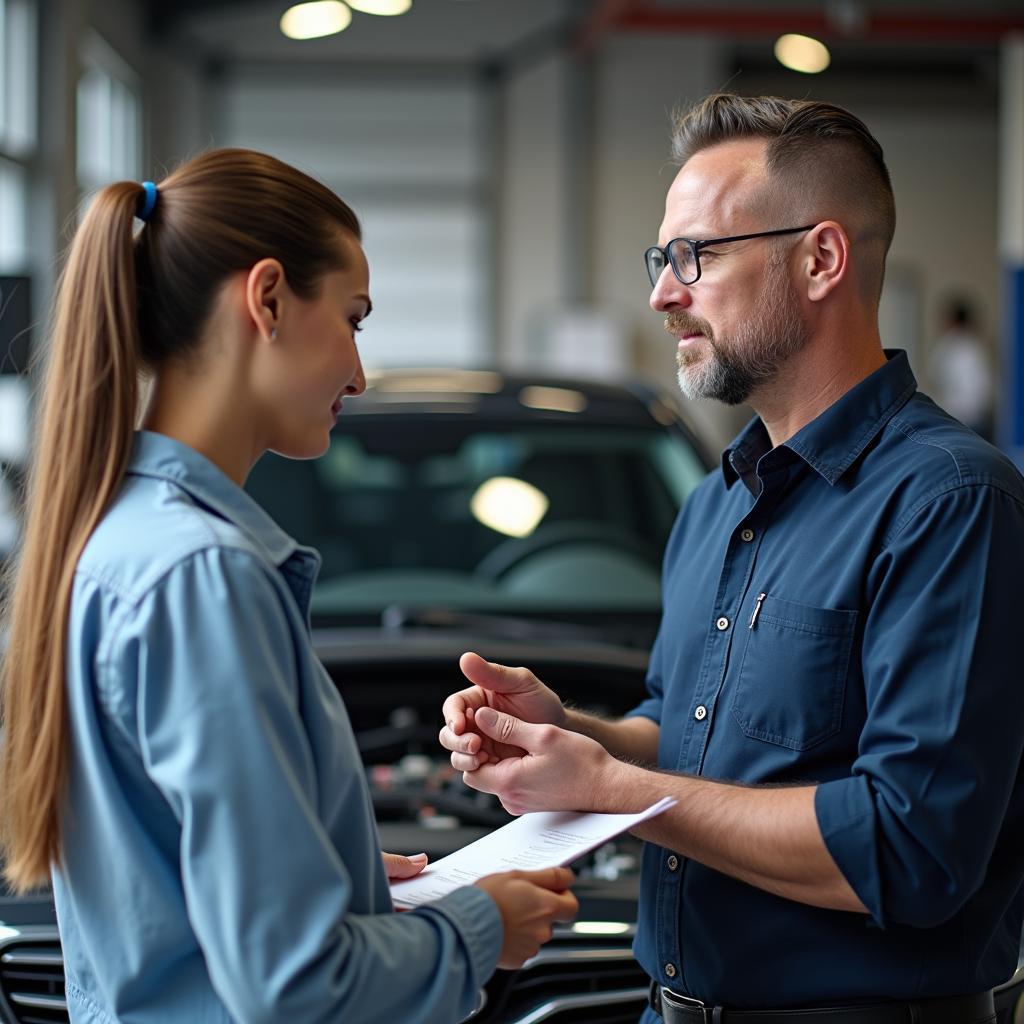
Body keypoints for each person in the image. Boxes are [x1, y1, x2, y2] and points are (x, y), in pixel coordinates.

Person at [440, 94, 1024, 1023]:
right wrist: (575, 736)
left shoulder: (950, 502)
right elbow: (688, 729)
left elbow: (912, 847)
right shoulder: (719, 502)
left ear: (820, 259)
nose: (662, 293)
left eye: (695, 256)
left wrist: (615, 788)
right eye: (660, 259)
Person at [0, 148, 578, 1024]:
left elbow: (168, 889)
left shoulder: (121, 539)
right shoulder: (206, 578)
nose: (358, 373)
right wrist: (478, 925)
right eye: (352, 318)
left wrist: (329, 869)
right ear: (266, 298)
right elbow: (294, 982)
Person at [927, 297, 995, 440]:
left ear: (954, 320)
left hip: (965, 421)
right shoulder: (966, 346)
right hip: (961, 418)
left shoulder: (963, 348)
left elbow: (977, 390)